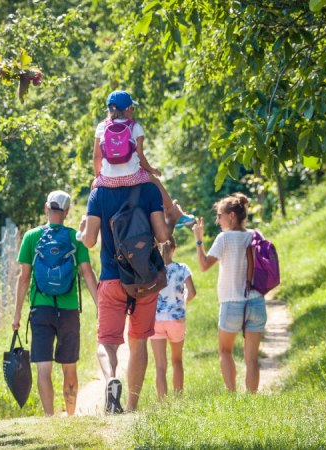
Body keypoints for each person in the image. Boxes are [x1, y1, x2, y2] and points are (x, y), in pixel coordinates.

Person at [78, 181, 184, 413]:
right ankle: (131, 406)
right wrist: (174, 218)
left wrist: (81, 229)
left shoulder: (99, 194)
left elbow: (89, 241)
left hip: (112, 278)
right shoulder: (148, 189)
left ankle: (111, 380)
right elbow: (163, 236)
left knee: (107, 342)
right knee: (139, 342)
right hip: (144, 279)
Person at [12, 190, 99, 416]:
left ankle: (50, 419)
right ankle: (70, 417)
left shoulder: (31, 237)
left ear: (46, 208)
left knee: (44, 367)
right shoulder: (74, 238)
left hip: (40, 308)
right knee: (69, 365)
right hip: (68, 309)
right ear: (67, 211)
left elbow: (24, 278)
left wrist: (16, 315)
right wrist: (101, 306)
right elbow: (87, 274)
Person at [192, 193, 267, 393]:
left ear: (231, 216)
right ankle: (252, 399)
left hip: (232, 303)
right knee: (251, 358)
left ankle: (232, 396)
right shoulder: (254, 235)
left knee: (225, 351)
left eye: (219, 215)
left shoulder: (224, 238)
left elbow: (203, 265)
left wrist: (199, 241)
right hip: (256, 302)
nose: (217, 220)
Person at [92, 90, 195, 229]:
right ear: (128, 109)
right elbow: (140, 157)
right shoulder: (135, 127)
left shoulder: (101, 127)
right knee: (155, 181)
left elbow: (97, 156)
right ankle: (173, 212)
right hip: (133, 177)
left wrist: (98, 177)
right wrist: (151, 170)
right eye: (132, 108)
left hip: (107, 179)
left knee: (93, 190)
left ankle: (89, 223)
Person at [150, 236, 196, 398]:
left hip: (156, 320)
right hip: (176, 319)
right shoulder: (182, 268)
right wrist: (183, 302)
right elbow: (192, 292)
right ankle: (178, 399)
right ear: (174, 248)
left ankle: (163, 402)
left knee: (160, 365)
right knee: (177, 360)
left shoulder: (153, 270)